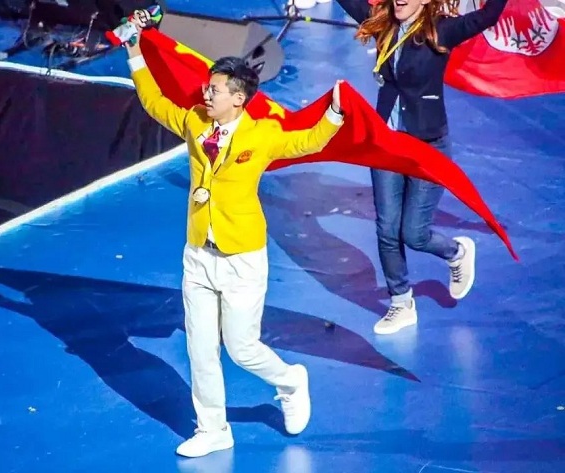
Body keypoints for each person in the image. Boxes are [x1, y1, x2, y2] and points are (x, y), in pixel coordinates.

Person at [120, 16, 345, 457]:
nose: (206, 94)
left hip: (242, 256)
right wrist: (133, 52)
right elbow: (154, 103)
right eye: (208, 87)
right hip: (198, 253)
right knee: (200, 349)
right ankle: (213, 429)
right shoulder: (194, 121)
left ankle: (290, 380)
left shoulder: (263, 135)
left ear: (238, 98)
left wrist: (335, 114)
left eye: (215, 90)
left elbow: (308, 142)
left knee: (241, 348)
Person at [333, 0, 509, 335]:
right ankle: (401, 303)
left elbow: (488, 16)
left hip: (427, 146)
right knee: (387, 227)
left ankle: (456, 252)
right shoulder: (382, 22)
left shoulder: (441, 30)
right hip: (386, 143)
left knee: (413, 233)